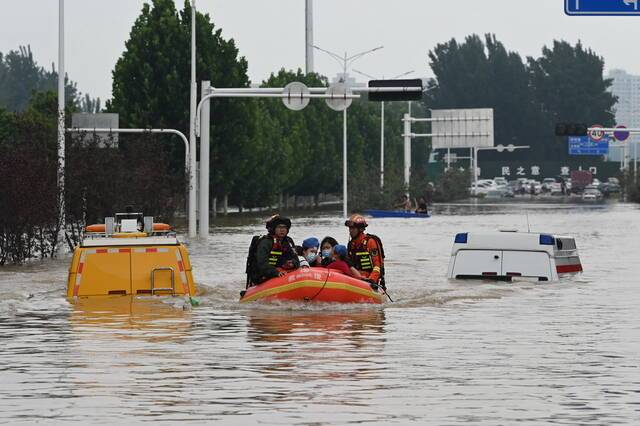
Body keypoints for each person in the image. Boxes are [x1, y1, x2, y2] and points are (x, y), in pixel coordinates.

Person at [246, 215, 299, 286]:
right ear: (274, 228)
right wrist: (276, 272)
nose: (282, 230)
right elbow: (262, 263)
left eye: (284, 227)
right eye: (279, 227)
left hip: (284, 272)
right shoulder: (265, 242)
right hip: (265, 274)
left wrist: (292, 263)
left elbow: (296, 259)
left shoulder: (288, 241)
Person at [345, 214, 386, 287]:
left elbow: (377, 266)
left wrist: (372, 279)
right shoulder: (351, 245)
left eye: (353, 228)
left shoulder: (370, 242)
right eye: (350, 228)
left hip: (369, 279)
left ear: (360, 229)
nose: (350, 231)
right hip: (356, 278)